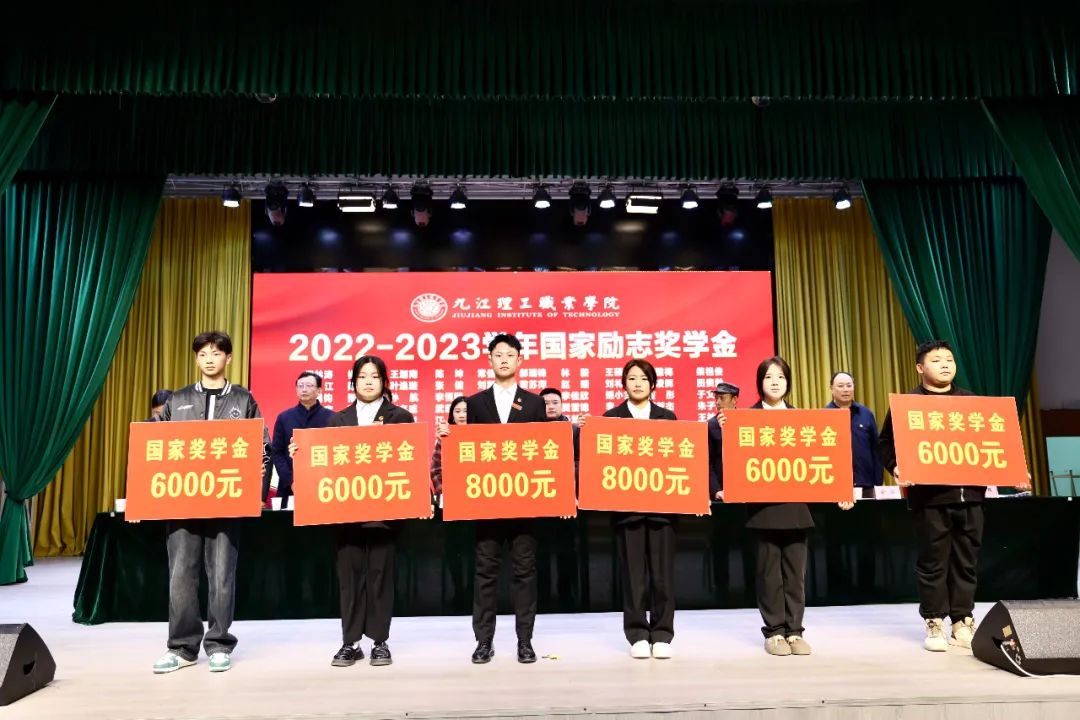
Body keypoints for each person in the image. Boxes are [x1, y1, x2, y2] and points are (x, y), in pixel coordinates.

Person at [877, 340, 1030, 652]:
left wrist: (1015, 471)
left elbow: (995, 441)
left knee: (966, 562)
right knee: (933, 562)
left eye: (949, 359)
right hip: (930, 499)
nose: (945, 364)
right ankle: (934, 620)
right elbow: (885, 444)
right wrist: (896, 466)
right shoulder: (909, 405)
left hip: (971, 496)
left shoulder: (971, 402)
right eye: (936, 360)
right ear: (920, 367)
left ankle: (962, 620)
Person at [153, 331, 270, 674]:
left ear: (228, 358)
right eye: (203, 354)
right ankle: (182, 647)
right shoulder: (178, 399)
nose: (209, 359)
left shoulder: (244, 400)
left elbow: (261, 448)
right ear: (196, 359)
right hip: (182, 501)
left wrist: (256, 492)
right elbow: (154, 447)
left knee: (221, 575)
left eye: (216, 353)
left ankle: (219, 643)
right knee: (181, 575)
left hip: (226, 502)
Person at [437, 333, 547, 665]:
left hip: (525, 502)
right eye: (498, 355)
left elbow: (545, 449)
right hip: (486, 503)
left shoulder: (535, 403)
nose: (503, 360)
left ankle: (525, 641)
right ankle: (484, 641)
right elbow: (466, 450)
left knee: (525, 573)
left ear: (520, 360)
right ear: (489, 360)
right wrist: (449, 437)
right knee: (485, 573)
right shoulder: (475, 403)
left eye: (510, 355)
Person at [325, 356, 415, 668]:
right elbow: (325, 463)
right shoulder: (337, 420)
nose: (367, 382)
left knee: (380, 577)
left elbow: (410, 462)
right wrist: (302, 453)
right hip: (346, 514)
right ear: (353, 382)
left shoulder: (400, 417)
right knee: (349, 579)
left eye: (374, 376)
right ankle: (350, 642)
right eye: (362, 376)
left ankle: (379, 641)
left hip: (384, 514)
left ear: (384, 382)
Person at [586, 359, 679, 660]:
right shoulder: (611, 419)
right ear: (623, 384)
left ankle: (662, 633)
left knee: (663, 577)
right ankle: (637, 633)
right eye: (632, 378)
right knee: (633, 576)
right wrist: (586, 432)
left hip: (663, 509)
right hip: (627, 511)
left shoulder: (668, 418)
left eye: (643, 378)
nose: (637, 383)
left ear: (653, 384)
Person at [745, 356, 813, 657]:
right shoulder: (745, 420)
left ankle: (795, 631)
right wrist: (724, 427)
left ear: (788, 382)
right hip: (763, 510)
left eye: (781, 377)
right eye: (769, 377)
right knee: (769, 574)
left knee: (795, 575)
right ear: (759, 383)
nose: (775, 382)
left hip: (796, 508)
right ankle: (774, 632)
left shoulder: (802, 419)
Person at [270, 371, 333, 507]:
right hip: (289, 487)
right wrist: (291, 481)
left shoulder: (332, 418)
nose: (304, 389)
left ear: (319, 390)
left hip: (323, 485)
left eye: (309, 385)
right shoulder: (284, 417)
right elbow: (277, 453)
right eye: (300, 386)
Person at [826, 372, 883, 499]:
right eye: (840, 386)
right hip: (835, 485)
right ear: (831, 388)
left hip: (866, 484)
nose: (845, 389)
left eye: (849, 385)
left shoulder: (866, 414)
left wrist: (878, 483)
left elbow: (876, 450)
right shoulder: (824, 416)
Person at [540, 387, 581, 483]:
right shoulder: (531, 430)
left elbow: (579, 460)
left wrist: (565, 474)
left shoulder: (574, 430)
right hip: (540, 480)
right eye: (546, 403)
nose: (551, 407)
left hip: (567, 483)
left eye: (555, 403)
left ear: (561, 405)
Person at [707, 382, 740, 501]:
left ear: (734, 400)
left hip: (745, 488)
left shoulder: (746, 423)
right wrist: (716, 490)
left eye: (722, 398)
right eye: (716, 398)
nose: (717, 402)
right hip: (722, 492)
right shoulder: (710, 425)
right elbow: (707, 462)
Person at [430, 396, 468, 496]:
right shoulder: (445, 437)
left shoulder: (481, 437)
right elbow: (435, 470)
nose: (462, 415)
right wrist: (445, 493)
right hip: (451, 495)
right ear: (452, 415)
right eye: (457, 411)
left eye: (466, 411)